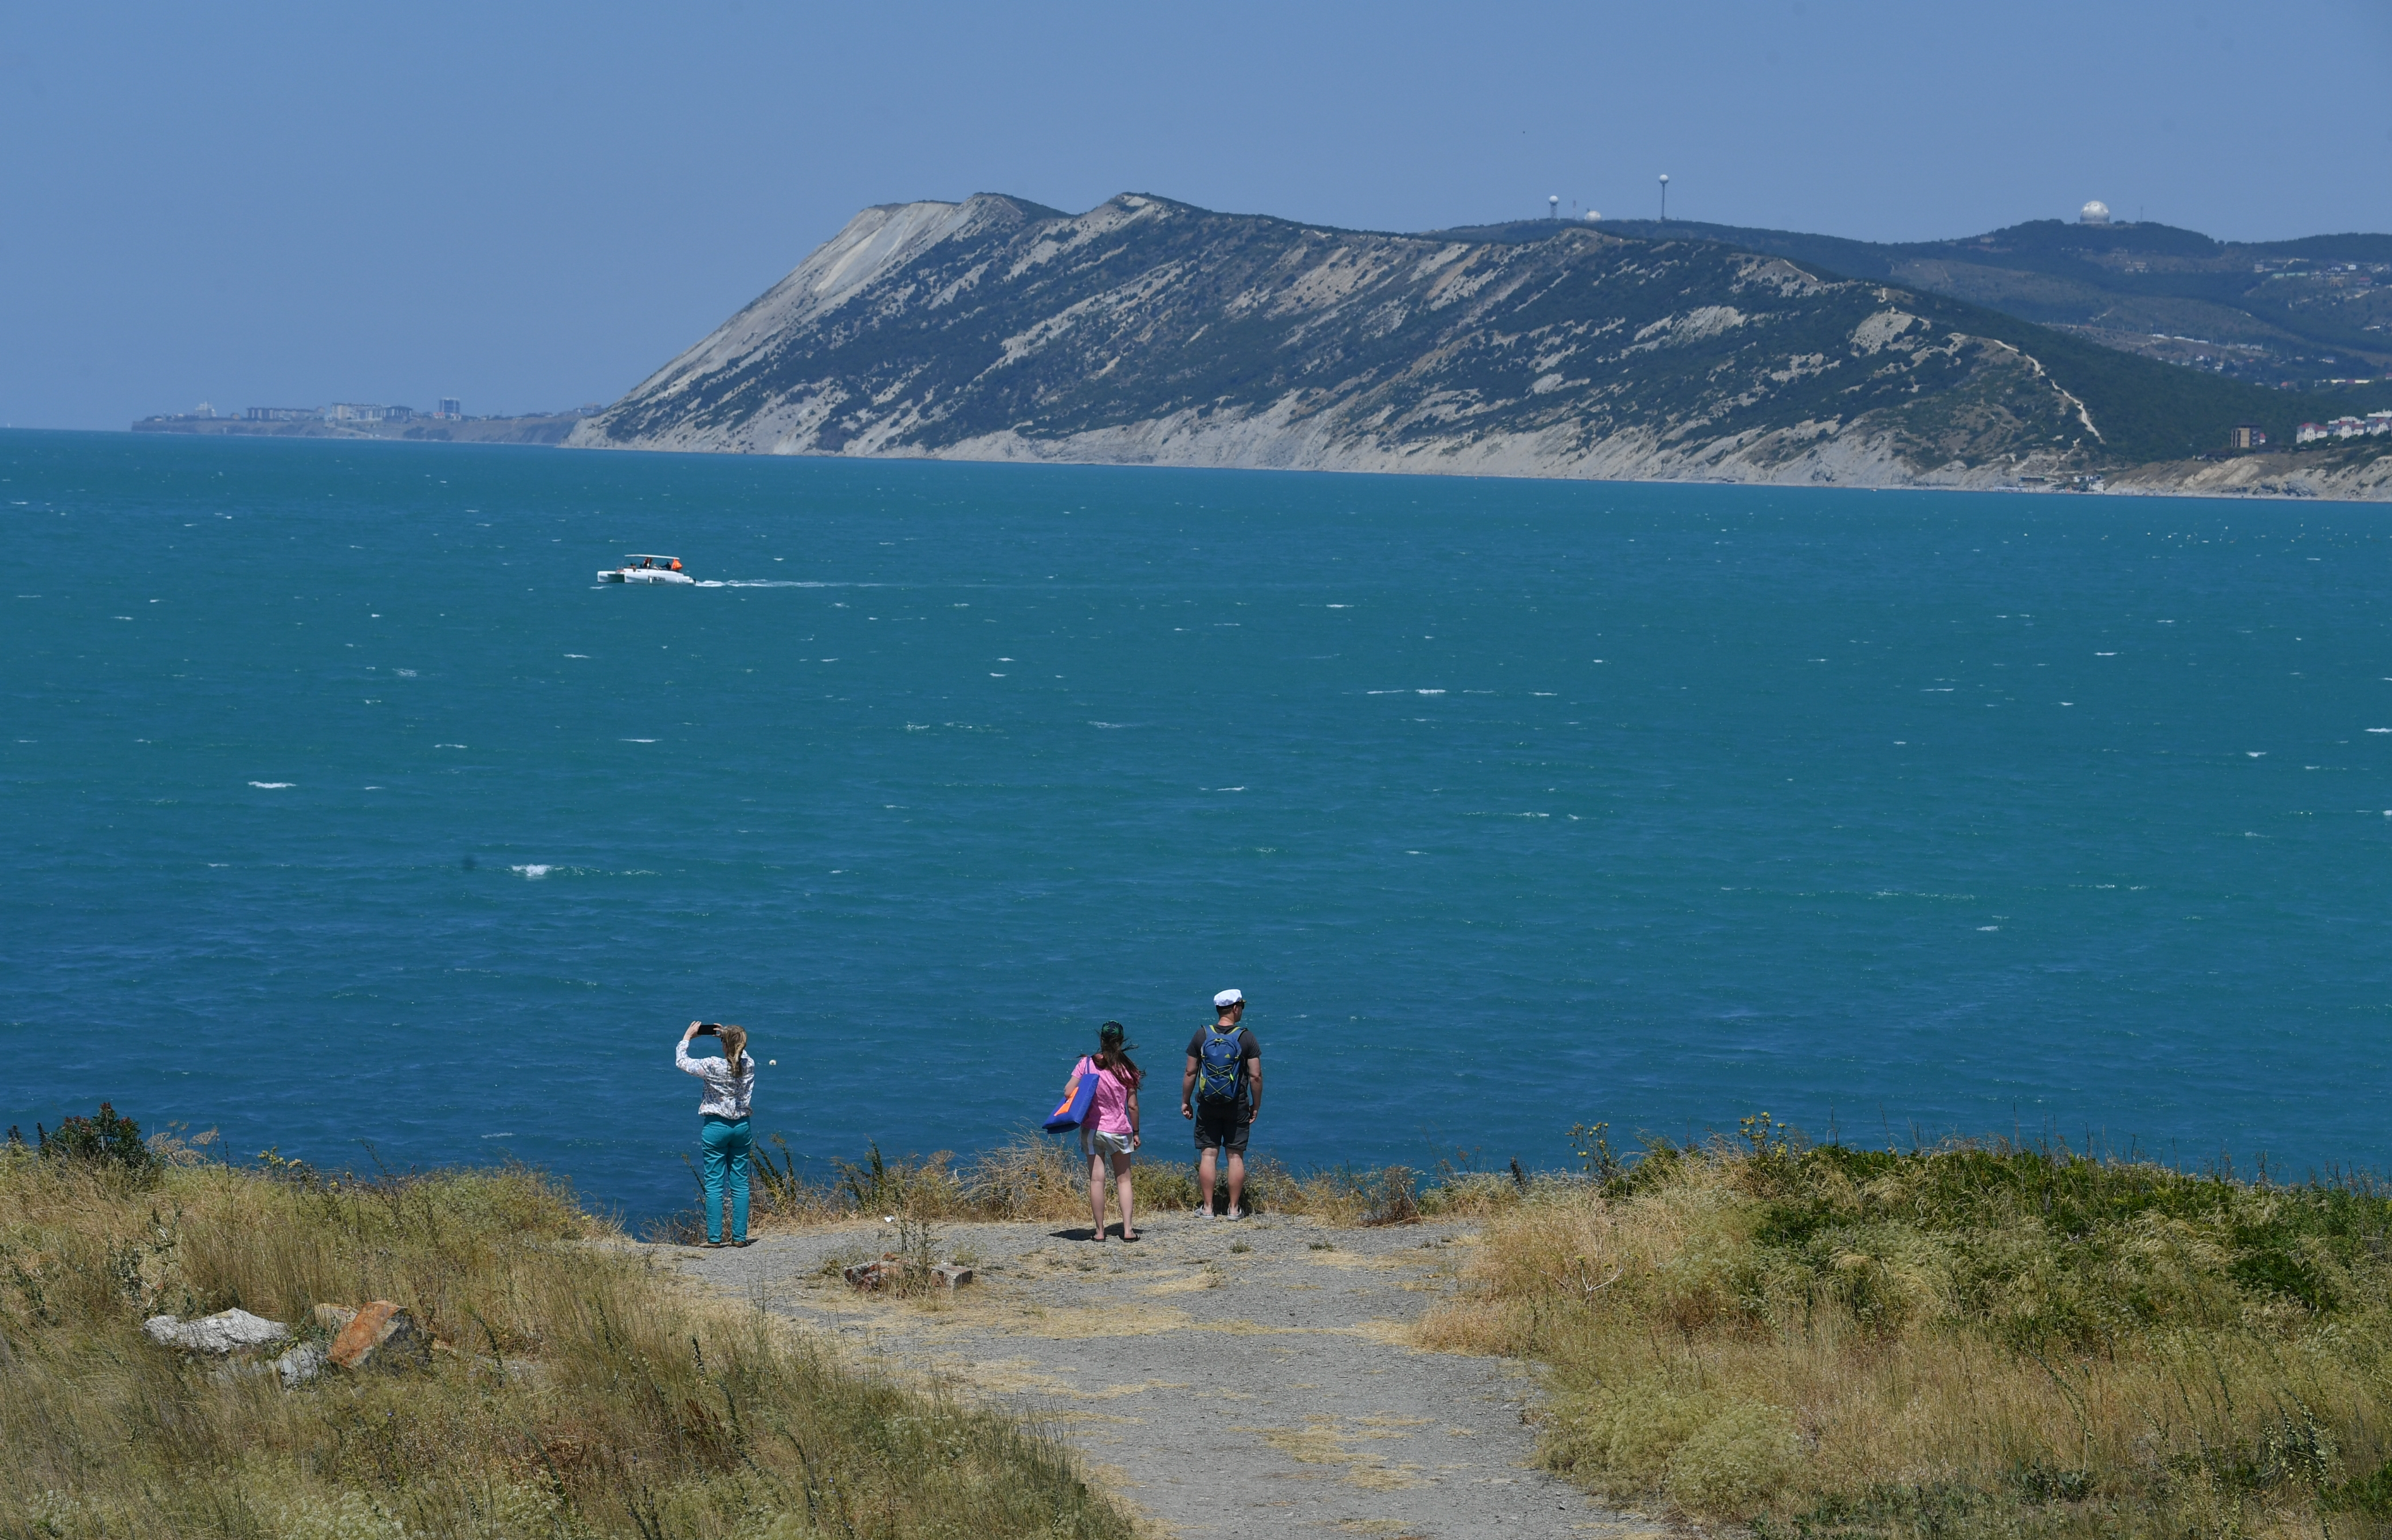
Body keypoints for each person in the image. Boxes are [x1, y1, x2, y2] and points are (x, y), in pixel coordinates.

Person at [1183, 988, 1262, 1218]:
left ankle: (1208, 1209)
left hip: (1207, 1103)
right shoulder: (1246, 1037)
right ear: (1236, 1008)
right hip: (1237, 1104)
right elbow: (1256, 1076)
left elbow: (1190, 1072)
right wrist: (1255, 1104)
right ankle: (1234, 1209)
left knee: (1209, 1154)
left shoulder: (1202, 1035)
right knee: (1235, 1155)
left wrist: (1186, 1101)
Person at [676, 1021, 757, 1247]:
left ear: (724, 1045)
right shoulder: (749, 1064)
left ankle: (714, 1239)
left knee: (714, 1184)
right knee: (740, 1183)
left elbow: (682, 1062)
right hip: (742, 1127)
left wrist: (687, 1037)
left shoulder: (713, 1065)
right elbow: (740, 1051)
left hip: (716, 1128)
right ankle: (739, 1238)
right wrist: (729, 1037)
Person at [1080, 1021, 1142, 1243]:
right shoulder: (1127, 1069)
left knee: (1097, 1180)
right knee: (1123, 1181)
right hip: (1119, 1130)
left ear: (1101, 1039)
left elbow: (1069, 1091)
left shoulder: (1086, 1065)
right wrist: (1136, 1132)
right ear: (1121, 1040)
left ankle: (1099, 1232)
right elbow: (1133, 1106)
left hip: (1092, 1130)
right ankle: (1127, 1231)